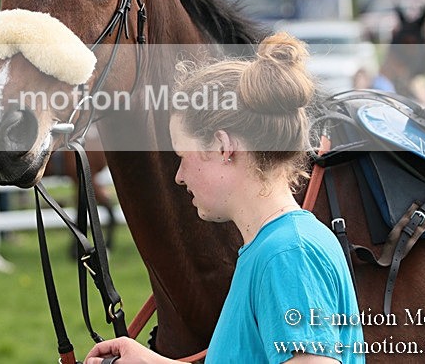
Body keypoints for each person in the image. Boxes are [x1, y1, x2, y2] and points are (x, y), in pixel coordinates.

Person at [86, 33, 364, 363]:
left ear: (223, 147)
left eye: (183, 155)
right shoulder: (275, 247)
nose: (179, 176)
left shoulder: (288, 255)